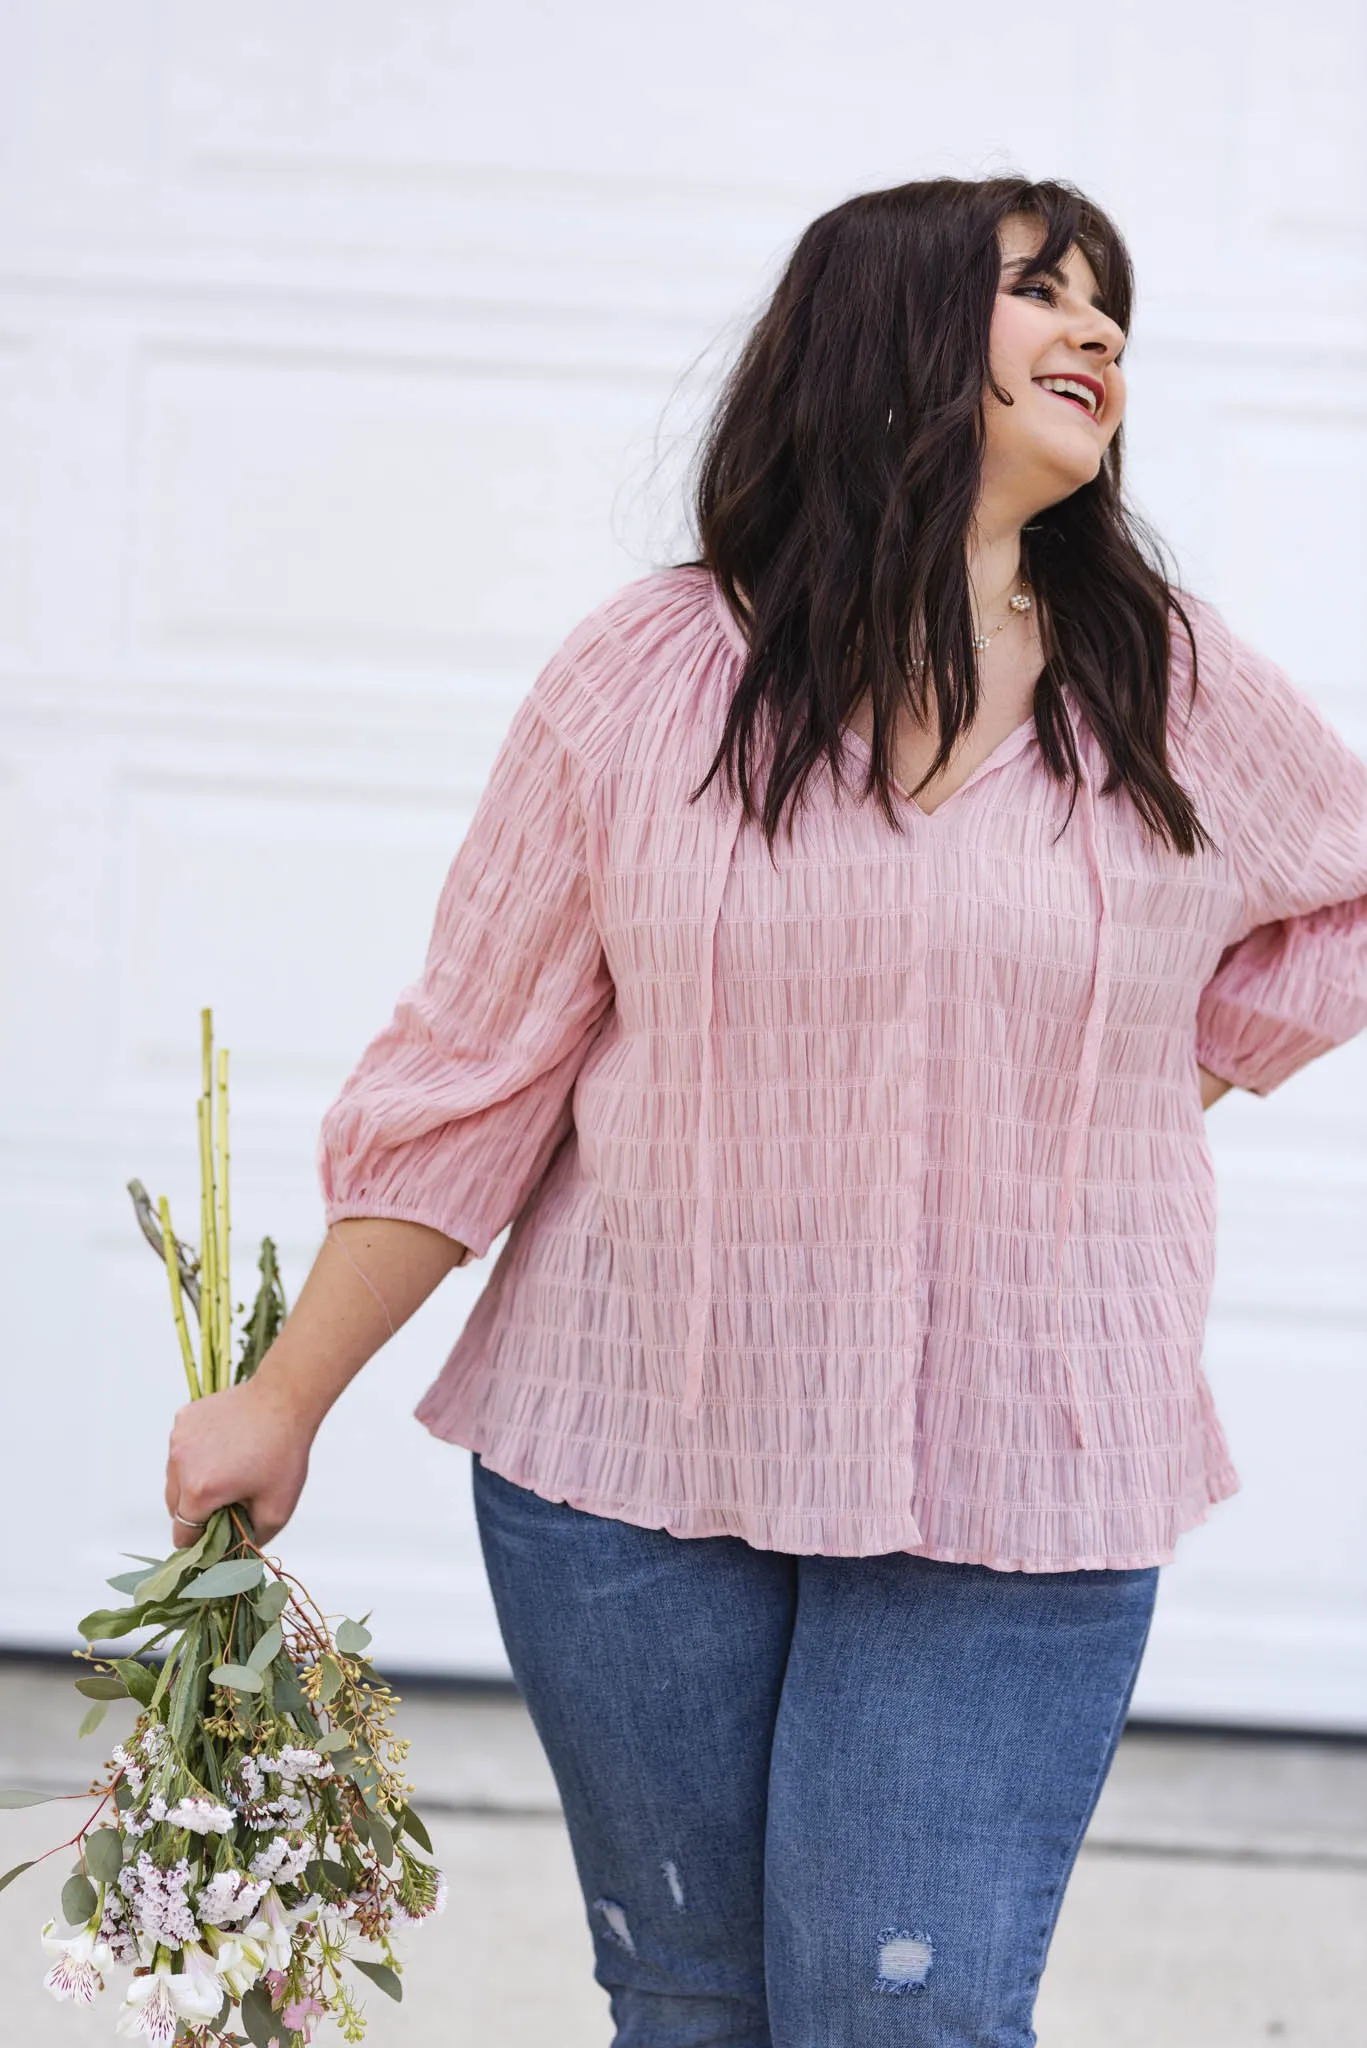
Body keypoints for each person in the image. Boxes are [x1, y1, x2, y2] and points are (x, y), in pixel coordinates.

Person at [164, 176, 1367, 2046]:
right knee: (693, 2005)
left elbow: (1348, 893)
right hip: (633, 1459)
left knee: (903, 2013)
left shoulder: (1171, 687)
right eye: (1039, 292)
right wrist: (282, 1397)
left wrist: (1176, 1055)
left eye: (1111, 307)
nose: (1097, 334)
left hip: (1022, 1468)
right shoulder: (642, 683)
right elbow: (473, 1072)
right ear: (882, 332)